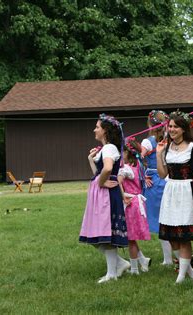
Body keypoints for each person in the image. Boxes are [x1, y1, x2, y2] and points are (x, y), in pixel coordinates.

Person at [156, 111, 193, 283]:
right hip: (171, 191)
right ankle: (189, 271)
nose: (171, 129)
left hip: (187, 191)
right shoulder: (167, 148)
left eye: (175, 127)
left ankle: (181, 276)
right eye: (170, 126)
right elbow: (162, 174)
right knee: (172, 237)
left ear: (184, 129)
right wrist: (159, 155)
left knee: (184, 237)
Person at [79, 114, 130, 283]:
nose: (94, 129)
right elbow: (99, 172)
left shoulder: (109, 148)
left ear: (105, 130)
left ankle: (112, 274)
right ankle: (120, 264)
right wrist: (90, 160)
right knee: (94, 234)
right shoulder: (107, 148)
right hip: (101, 194)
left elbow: (108, 169)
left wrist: (101, 183)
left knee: (105, 233)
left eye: (97, 127)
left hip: (107, 195)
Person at [141, 110, 173, 265]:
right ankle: (172, 257)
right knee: (167, 219)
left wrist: (142, 176)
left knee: (161, 221)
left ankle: (168, 259)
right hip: (168, 179)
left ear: (149, 125)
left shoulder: (148, 142)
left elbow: (137, 159)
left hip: (154, 181)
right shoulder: (170, 140)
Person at [118, 138, 152, 275]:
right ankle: (142, 261)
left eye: (122, 152)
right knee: (132, 236)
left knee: (130, 239)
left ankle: (134, 269)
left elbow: (118, 181)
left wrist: (122, 195)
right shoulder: (138, 166)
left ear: (127, 153)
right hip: (137, 202)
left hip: (131, 203)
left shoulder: (126, 168)